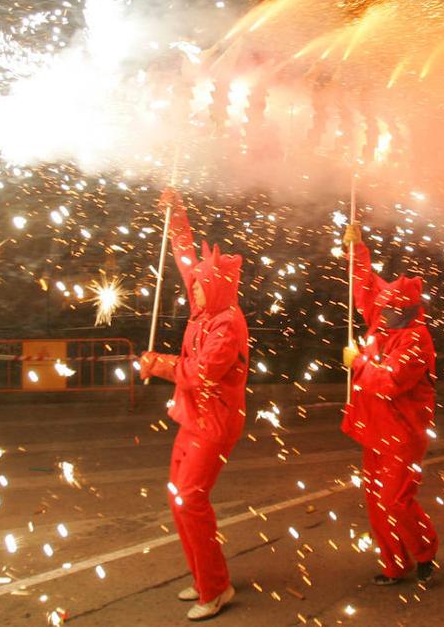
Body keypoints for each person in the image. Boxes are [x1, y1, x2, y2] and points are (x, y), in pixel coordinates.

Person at [139, 189, 249, 620]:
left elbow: (201, 372)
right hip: (192, 417)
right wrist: (177, 213)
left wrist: (158, 363)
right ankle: (208, 580)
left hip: (216, 423)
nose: (194, 295)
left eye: (201, 289)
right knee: (178, 499)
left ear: (217, 289)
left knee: (191, 498)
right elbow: (186, 259)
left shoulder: (228, 325)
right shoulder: (208, 303)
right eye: (196, 288)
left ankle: (216, 589)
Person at [340, 223, 439, 585]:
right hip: (375, 428)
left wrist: (359, 363)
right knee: (376, 501)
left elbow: (391, 381)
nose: (377, 312)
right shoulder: (385, 323)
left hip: (403, 433)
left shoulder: (417, 339)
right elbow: (366, 286)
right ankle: (394, 564)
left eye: (387, 308)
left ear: (406, 309)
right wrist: (358, 250)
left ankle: (426, 550)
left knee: (396, 500)